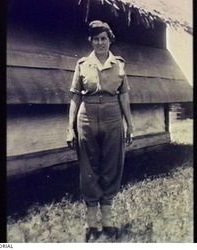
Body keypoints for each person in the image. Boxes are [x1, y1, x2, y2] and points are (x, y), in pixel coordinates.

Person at [66, 20, 134, 242]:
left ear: (109, 39)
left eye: (103, 38)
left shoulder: (119, 64)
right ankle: (91, 223)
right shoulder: (83, 64)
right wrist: (70, 128)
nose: (100, 42)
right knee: (88, 166)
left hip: (113, 117)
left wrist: (129, 124)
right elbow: (75, 96)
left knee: (112, 165)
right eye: (96, 39)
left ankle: (107, 221)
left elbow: (123, 95)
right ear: (91, 41)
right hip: (86, 117)